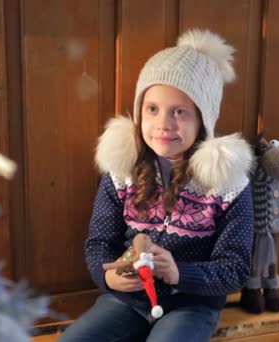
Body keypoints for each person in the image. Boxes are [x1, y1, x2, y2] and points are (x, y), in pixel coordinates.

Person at [59, 29, 255, 342]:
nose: (164, 123)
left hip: (190, 304)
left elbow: (234, 268)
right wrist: (109, 277)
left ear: (203, 120)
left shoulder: (226, 184)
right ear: (139, 113)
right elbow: (99, 242)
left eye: (180, 112)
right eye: (152, 109)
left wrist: (180, 273)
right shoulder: (122, 171)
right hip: (127, 301)